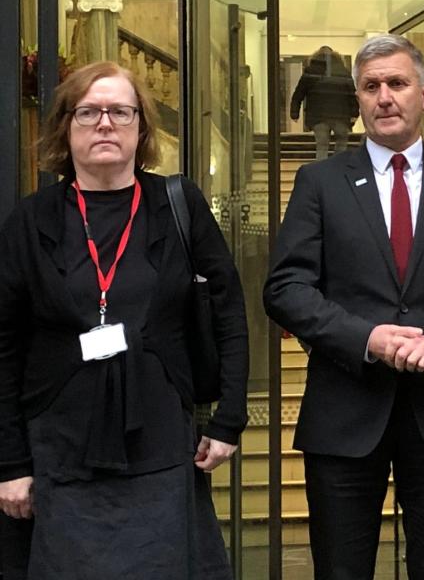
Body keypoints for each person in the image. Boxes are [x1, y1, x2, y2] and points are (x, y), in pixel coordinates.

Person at [263, 35, 424, 579]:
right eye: (371, 87)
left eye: (397, 84)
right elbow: (285, 287)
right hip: (345, 411)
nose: (384, 97)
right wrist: (367, 339)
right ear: (357, 100)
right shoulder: (320, 183)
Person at [0, 60, 248, 579]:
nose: (105, 124)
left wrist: (229, 419)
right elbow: (4, 345)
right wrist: (12, 464)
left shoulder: (179, 206)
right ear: (65, 128)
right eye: (88, 112)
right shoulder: (31, 219)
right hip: (60, 451)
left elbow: (228, 312)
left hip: (161, 447)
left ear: (142, 128)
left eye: (120, 111)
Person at [290, 46, 359, 160]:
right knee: (341, 140)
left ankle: (321, 172)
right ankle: (338, 165)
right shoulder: (343, 71)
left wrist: (294, 112)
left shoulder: (310, 71)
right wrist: (354, 113)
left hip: (318, 115)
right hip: (340, 115)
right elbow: (352, 93)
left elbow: (299, 93)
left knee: (322, 145)